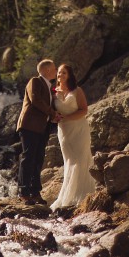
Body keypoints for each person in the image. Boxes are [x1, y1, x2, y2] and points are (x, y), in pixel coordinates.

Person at [50, 63, 97, 210]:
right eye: (59, 73)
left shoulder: (77, 90)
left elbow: (84, 110)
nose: (60, 75)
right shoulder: (53, 92)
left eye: (64, 73)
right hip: (64, 132)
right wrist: (54, 118)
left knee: (81, 158)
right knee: (69, 160)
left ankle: (83, 195)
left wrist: (67, 117)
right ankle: (68, 196)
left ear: (69, 75)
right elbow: (51, 114)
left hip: (79, 129)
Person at [16, 59, 61, 205]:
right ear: (47, 70)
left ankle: (35, 192)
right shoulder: (35, 81)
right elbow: (36, 100)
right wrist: (53, 113)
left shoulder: (50, 88)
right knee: (28, 157)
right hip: (29, 126)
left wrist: (53, 116)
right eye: (54, 69)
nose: (56, 71)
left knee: (38, 159)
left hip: (42, 127)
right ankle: (23, 192)